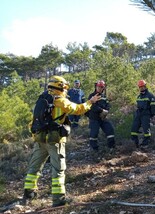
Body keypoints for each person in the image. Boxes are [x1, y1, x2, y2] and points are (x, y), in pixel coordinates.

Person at [23, 76, 100, 207]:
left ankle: (29, 193)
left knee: (34, 167)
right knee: (58, 169)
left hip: (40, 139)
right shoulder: (60, 100)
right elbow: (78, 109)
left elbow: (34, 119)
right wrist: (90, 102)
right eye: (65, 87)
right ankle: (59, 200)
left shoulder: (42, 98)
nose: (66, 90)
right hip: (55, 140)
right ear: (61, 87)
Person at [87, 80, 115, 152]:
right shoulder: (92, 96)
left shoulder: (104, 97)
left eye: (101, 87)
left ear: (103, 88)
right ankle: (94, 150)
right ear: (96, 86)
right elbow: (92, 106)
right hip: (94, 118)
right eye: (98, 87)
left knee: (110, 130)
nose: (100, 88)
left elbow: (108, 105)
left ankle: (111, 148)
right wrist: (102, 111)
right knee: (94, 133)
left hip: (103, 118)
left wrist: (106, 111)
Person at [131, 80, 155, 148]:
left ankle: (145, 144)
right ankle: (134, 144)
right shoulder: (139, 96)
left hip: (146, 114)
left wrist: (150, 115)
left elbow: (153, 107)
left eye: (142, 86)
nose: (141, 88)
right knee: (134, 129)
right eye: (140, 87)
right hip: (138, 114)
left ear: (145, 86)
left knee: (146, 130)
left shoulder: (150, 95)